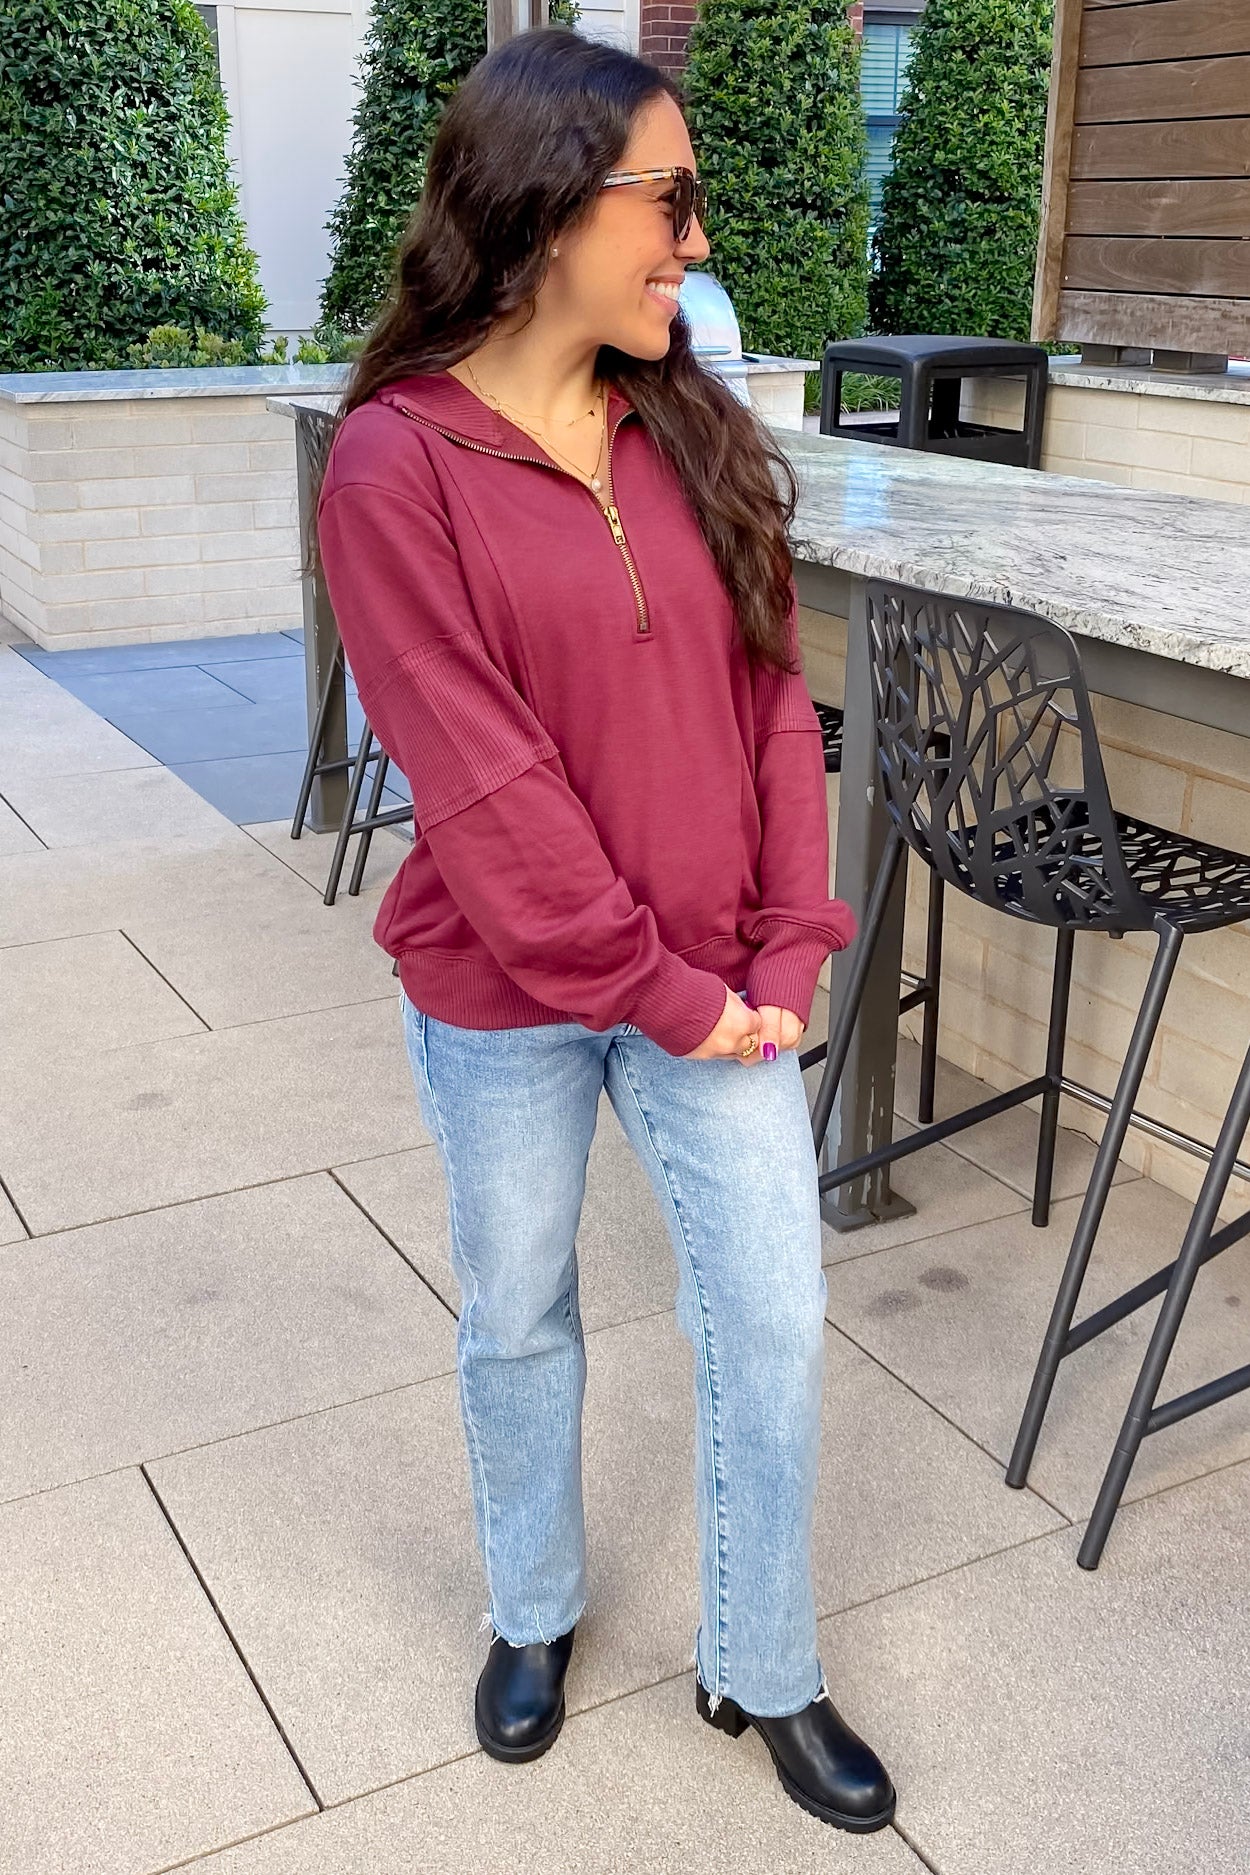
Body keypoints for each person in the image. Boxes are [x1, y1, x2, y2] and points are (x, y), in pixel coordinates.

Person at [311, 25, 896, 1836]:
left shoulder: (690, 422)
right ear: (549, 205)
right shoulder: (394, 467)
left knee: (773, 1314)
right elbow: (482, 787)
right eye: (670, 198)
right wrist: (649, 985)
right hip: (510, 990)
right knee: (518, 1310)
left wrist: (783, 948)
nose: (695, 240)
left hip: (717, 981)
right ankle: (533, 1608)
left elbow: (770, 707)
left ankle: (761, 1660)